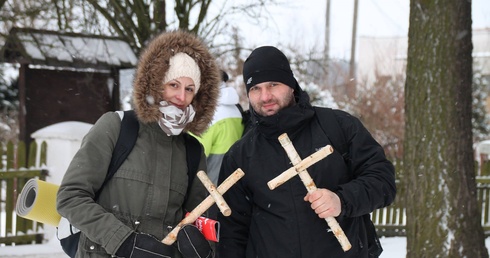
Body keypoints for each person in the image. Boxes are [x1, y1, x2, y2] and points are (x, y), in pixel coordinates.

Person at [216, 46, 397, 258]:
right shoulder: (241, 155)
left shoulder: (337, 127)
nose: (265, 96)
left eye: (273, 84)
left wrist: (342, 200)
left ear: (291, 85)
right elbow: (232, 233)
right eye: (255, 88)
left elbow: (382, 180)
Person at [57, 30, 220, 258]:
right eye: (173, 84)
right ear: (156, 83)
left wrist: (201, 247)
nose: (181, 97)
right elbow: (71, 197)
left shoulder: (192, 151)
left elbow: (195, 218)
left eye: (189, 89)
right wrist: (122, 241)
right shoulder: (116, 127)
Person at [193, 70, 244, 186]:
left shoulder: (209, 114)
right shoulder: (235, 108)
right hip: (233, 183)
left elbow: (192, 156)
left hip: (210, 187)